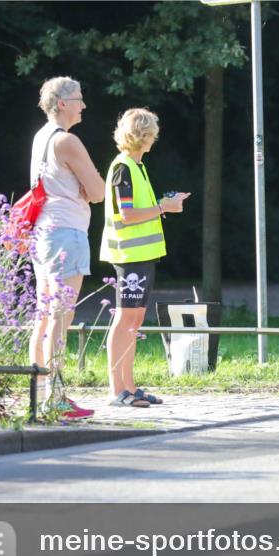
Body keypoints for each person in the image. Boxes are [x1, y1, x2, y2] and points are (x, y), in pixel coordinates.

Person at [28, 76, 105, 419]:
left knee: (44, 319)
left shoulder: (41, 137)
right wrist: (90, 186)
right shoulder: (69, 141)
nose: (83, 105)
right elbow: (99, 191)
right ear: (62, 103)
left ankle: (38, 392)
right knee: (61, 319)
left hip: (43, 233)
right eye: (79, 98)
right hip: (67, 234)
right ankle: (55, 398)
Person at [101, 108, 188, 407]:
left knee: (133, 321)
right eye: (152, 132)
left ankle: (129, 386)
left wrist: (166, 203)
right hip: (129, 255)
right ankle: (117, 391)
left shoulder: (137, 166)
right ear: (143, 135)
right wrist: (164, 207)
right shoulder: (123, 167)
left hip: (142, 255)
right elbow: (126, 215)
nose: (155, 137)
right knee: (125, 319)